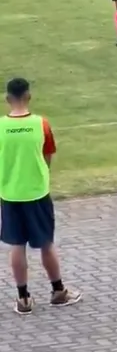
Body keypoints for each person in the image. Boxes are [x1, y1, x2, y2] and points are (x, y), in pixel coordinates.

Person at [0, 77, 81, 314]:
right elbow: (48, 155)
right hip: (37, 193)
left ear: (7, 98)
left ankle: (23, 298)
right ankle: (58, 291)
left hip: (10, 194)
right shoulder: (41, 124)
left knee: (17, 245)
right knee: (45, 243)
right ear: (29, 96)